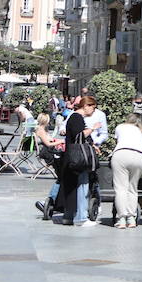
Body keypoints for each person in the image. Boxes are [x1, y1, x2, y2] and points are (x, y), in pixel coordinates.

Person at [59, 96, 100, 228]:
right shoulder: (77, 117)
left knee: (72, 186)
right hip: (77, 157)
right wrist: (93, 129)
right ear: (86, 106)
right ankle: (81, 217)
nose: (93, 111)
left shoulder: (73, 117)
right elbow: (79, 136)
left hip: (70, 156)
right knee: (82, 185)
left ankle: (69, 216)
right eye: (92, 108)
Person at [111, 113, 142, 229]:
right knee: (132, 189)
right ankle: (131, 218)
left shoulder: (120, 127)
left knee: (121, 189)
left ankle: (122, 219)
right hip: (139, 157)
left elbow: (117, 140)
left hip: (121, 154)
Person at [32, 113, 65, 220]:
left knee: (61, 177)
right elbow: (48, 143)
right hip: (48, 153)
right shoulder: (40, 130)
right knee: (61, 177)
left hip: (50, 151)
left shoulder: (43, 130)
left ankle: (54, 200)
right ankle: (51, 199)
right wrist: (61, 141)